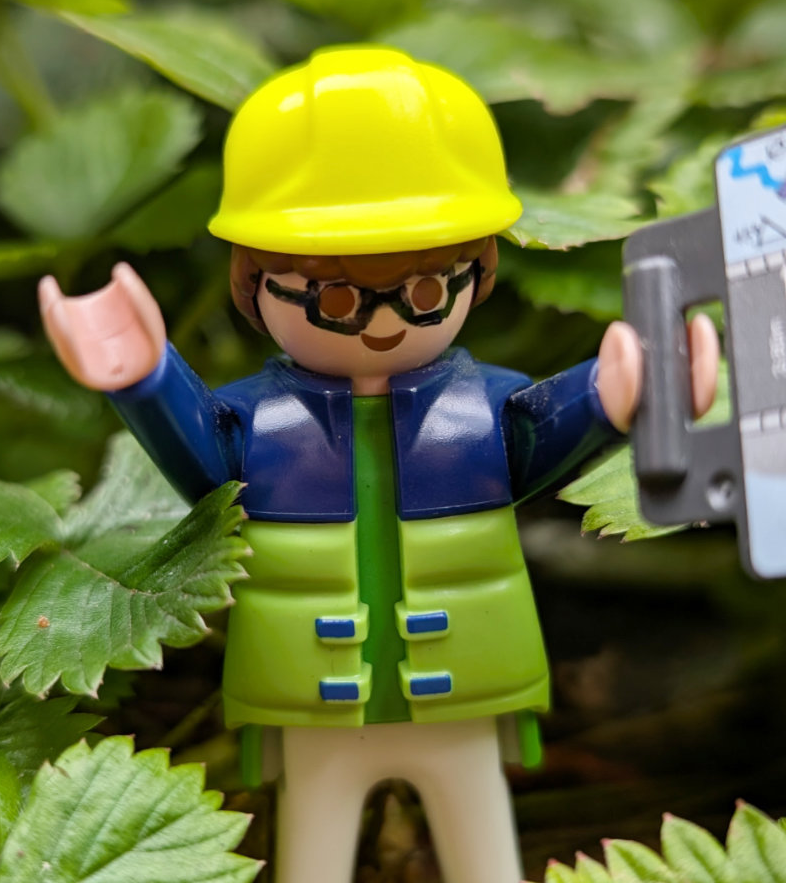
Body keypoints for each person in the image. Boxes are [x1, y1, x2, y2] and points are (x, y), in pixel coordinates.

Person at [38, 46, 718, 883]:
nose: (385, 322)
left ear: (476, 272)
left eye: (426, 291)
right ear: (256, 282)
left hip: (465, 682)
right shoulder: (262, 419)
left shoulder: (482, 408)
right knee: (315, 852)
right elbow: (204, 464)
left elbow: (543, 437)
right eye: (336, 298)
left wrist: (625, 394)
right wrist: (146, 378)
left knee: (483, 852)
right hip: (311, 691)